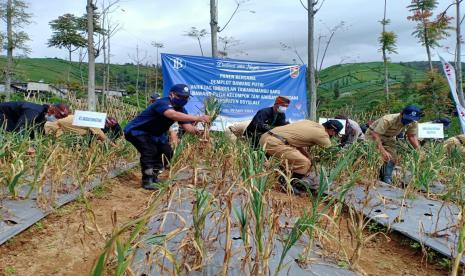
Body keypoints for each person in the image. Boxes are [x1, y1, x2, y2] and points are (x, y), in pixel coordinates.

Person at [124, 84, 210, 190]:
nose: (183, 99)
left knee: (167, 152)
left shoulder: (181, 109)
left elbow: (188, 127)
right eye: (180, 96)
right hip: (138, 131)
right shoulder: (162, 103)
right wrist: (199, 117)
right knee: (150, 151)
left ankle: (154, 176)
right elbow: (172, 115)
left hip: (155, 134)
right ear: (171, 94)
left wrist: (202, 132)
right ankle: (147, 180)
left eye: (186, 97)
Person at [259, 119, 343, 193]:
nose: (333, 136)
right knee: (304, 163)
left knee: (302, 159)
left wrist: (308, 156)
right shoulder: (323, 135)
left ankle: (283, 175)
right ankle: (285, 184)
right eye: (335, 134)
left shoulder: (310, 123)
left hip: (265, 137)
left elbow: (296, 142)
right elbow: (330, 150)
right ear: (332, 131)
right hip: (274, 143)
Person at [366, 105, 421, 184]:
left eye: (411, 120)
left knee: (392, 157)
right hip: (373, 135)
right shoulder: (388, 119)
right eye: (407, 118)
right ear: (401, 114)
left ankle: (386, 177)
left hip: (390, 137)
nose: (409, 121)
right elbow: (376, 134)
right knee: (375, 154)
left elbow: (411, 136)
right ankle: (370, 174)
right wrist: (383, 151)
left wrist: (419, 150)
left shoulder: (413, 122)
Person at [0, 101, 69, 138]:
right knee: (11, 132)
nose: (56, 119)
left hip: (10, 118)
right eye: (56, 116)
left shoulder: (42, 116)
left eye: (59, 118)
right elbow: (20, 127)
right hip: (2, 114)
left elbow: (38, 131)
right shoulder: (34, 112)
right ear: (51, 109)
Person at [45, 114, 117, 147]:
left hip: (56, 127)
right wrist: (116, 147)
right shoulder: (94, 122)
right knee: (59, 147)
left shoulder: (89, 118)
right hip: (52, 127)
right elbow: (103, 137)